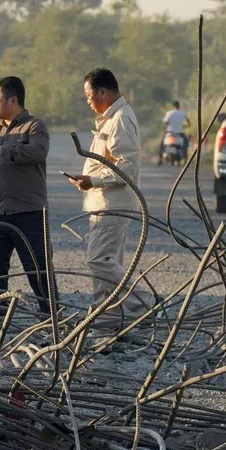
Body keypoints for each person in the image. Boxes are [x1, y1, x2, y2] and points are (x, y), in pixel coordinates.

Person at [0, 76, 54, 322]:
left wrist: (4, 151)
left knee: (38, 267)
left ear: (13, 100)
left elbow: (38, 151)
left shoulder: (35, 127)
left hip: (29, 210)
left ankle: (51, 317)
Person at [67, 68, 150, 310]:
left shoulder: (121, 118)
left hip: (113, 205)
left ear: (103, 92)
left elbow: (126, 167)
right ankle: (107, 320)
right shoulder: (112, 118)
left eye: (89, 96)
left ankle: (147, 304)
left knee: (98, 260)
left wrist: (93, 181)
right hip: (103, 203)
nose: (88, 102)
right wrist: (88, 179)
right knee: (107, 264)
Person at [157, 98, 191, 163]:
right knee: (185, 144)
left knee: (162, 144)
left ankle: (160, 159)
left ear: (173, 106)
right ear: (179, 106)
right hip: (180, 133)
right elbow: (189, 123)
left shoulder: (169, 113)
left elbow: (166, 122)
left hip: (170, 132)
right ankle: (185, 158)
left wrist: (168, 124)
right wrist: (185, 126)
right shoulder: (183, 113)